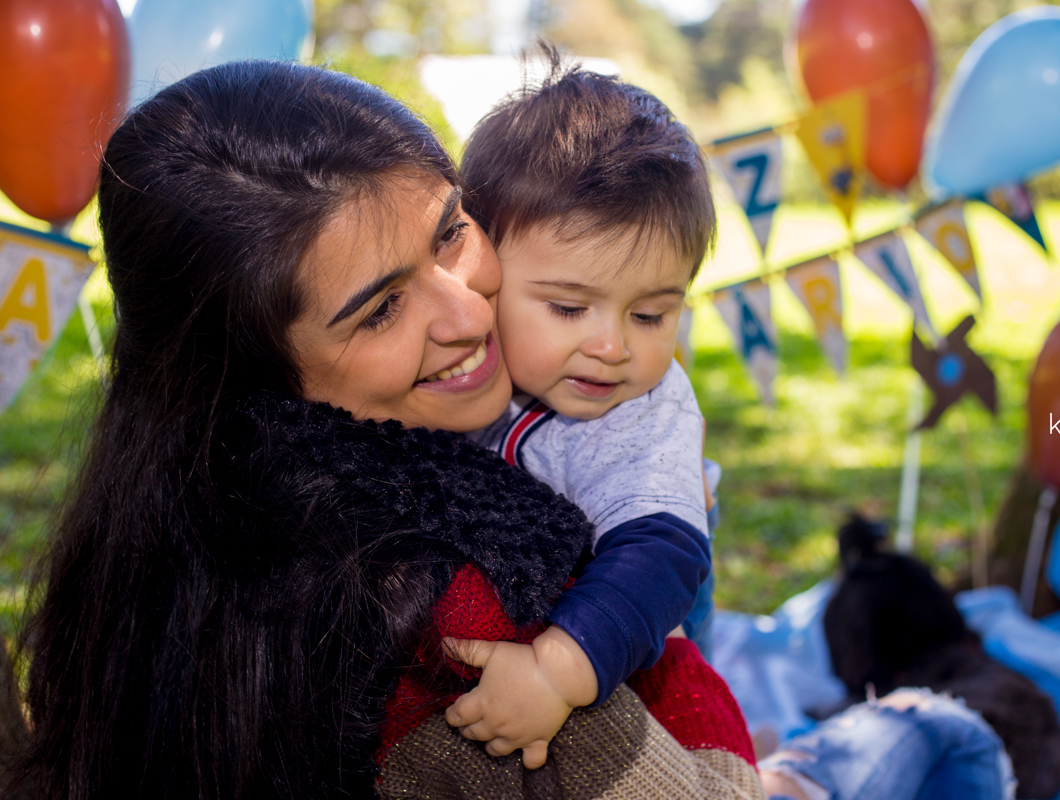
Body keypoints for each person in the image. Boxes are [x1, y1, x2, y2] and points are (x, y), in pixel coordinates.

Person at [6, 60, 762, 800]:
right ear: (264, 376)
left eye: (449, 233)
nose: (471, 314)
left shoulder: (172, 540)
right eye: (381, 309)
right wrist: (675, 665)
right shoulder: (474, 602)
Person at [439, 60, 717, 765]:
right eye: (568, 307)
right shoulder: (456, 349)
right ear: (483, 270)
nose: (613, 346)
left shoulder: (642, 411)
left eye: (652, 313)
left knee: (680, 731)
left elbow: (663, 553)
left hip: (636, 617)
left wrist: (554, 675)